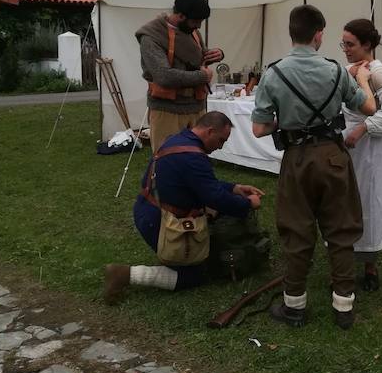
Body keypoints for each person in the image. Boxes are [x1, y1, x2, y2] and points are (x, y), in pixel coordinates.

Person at [251, 5, 376, 330]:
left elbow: (260, 129)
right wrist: (361, 77)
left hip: (297, 159)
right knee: (341, 231)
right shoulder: (336, 70)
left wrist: (288, 120)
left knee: (297, 231)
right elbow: (369, 106)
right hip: (333, 156)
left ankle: (294, 307)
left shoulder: (273, 73)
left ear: (292, 33)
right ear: (318, 34)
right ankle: (343, 307)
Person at [103, 111, 264, 303]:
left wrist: (234, 188)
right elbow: (215, 198)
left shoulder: (179, 141)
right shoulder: (192, 157)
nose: (221, 146)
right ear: (209, 131)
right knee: (196, 275)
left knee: (205, 258)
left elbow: (199, 182)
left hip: (147, 209)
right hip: (158, 221)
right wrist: (248, 204)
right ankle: (125, 275)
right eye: (221, 140)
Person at [340, 18, 382, 292]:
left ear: (366, 45)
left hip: (369, 149)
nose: (345, 48)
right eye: (342, 43)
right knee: (343, 201)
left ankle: (370, 265)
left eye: (350, 44)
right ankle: (342, 259)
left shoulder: (378, 72)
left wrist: (363, 128)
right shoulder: (348, 69)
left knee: (369, 201)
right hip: (347, 149)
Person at [136, 0, 225, 151]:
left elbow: (197, 59)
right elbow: (164, 76)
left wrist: (215, 54)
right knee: (168, 158)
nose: (199, 26)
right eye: (196, 21)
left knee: (197, 156)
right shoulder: (151, 37)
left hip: (196, 107)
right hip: (167, 110)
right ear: (181, 16)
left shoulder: (192, 32)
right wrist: (202, 76)